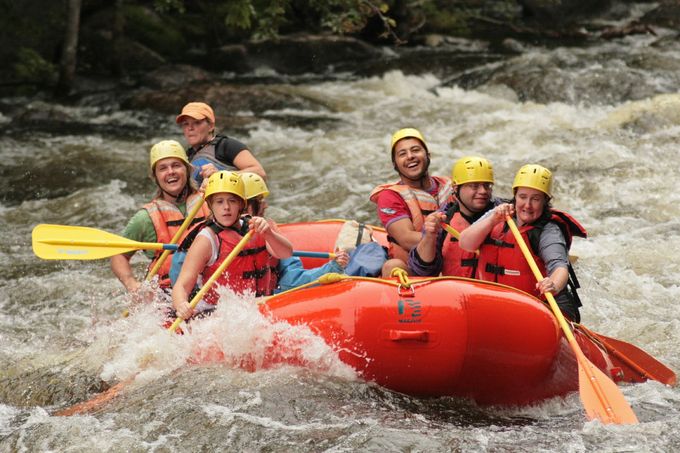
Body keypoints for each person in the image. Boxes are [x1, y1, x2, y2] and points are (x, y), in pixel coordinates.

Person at [458, 164, 587, 322]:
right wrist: (492, 219)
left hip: (541, 306)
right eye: (523, 197)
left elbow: (560, 267)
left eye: (535, 199)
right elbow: (465, 243)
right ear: (515, 195)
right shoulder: (498, 214)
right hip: (497, 303)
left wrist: (553, 284)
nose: (527, 205)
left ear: (546, 201)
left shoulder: (548, 231)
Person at [172, 171, 292, 321]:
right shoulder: (207, 239)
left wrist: (269, 233)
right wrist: (181, 305)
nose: (226, 207)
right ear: (210, 205)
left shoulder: (255, 226)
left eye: (232, 201)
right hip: (217, 314)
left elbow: (286, 253)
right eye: (219, 202)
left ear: (241, 204)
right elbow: (181, 286)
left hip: (260, 305)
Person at [110, 140, 211, 293]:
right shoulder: (145, 218)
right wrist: (131, 283)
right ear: (155, 177)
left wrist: (219, 179)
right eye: (163, 168)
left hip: (210, 285)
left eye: (176, 165)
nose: (170, 171)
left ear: (188, 170)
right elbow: (119, 255)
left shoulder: (211, 199)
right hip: (168, 293)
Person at [240, 172, 350, 293]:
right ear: (243, 206)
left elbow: (293, 279)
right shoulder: (219, 240)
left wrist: (333, 267)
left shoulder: (269, 233)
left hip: (270, 295)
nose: (265, 205)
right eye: (259, 200)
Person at [369, 128, 453, 276]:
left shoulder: (450, 186)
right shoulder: (390, 196)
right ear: (395, 164)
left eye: (415, 150)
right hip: (415, 271)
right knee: (392, 265)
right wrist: (458, 239)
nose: (410, 157)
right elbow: (406, 238)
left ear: (428, 155)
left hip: (455, 264)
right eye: (402, 154)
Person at [409, 156, 504, 277]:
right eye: (474, 186)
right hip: (458, 292)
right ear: (456, 188)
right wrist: (429, 236)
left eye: (487, 185)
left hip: (496, 292)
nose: (483, 191)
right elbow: (423, 272)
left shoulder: (504, 213)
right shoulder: (443, 219)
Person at [175, 101, 266, 186]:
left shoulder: (226, 146)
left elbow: (260, 173)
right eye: (185, 124)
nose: (190, 128)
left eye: (197, 123)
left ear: (211, 126)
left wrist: (221, 176)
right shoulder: (186, 157)